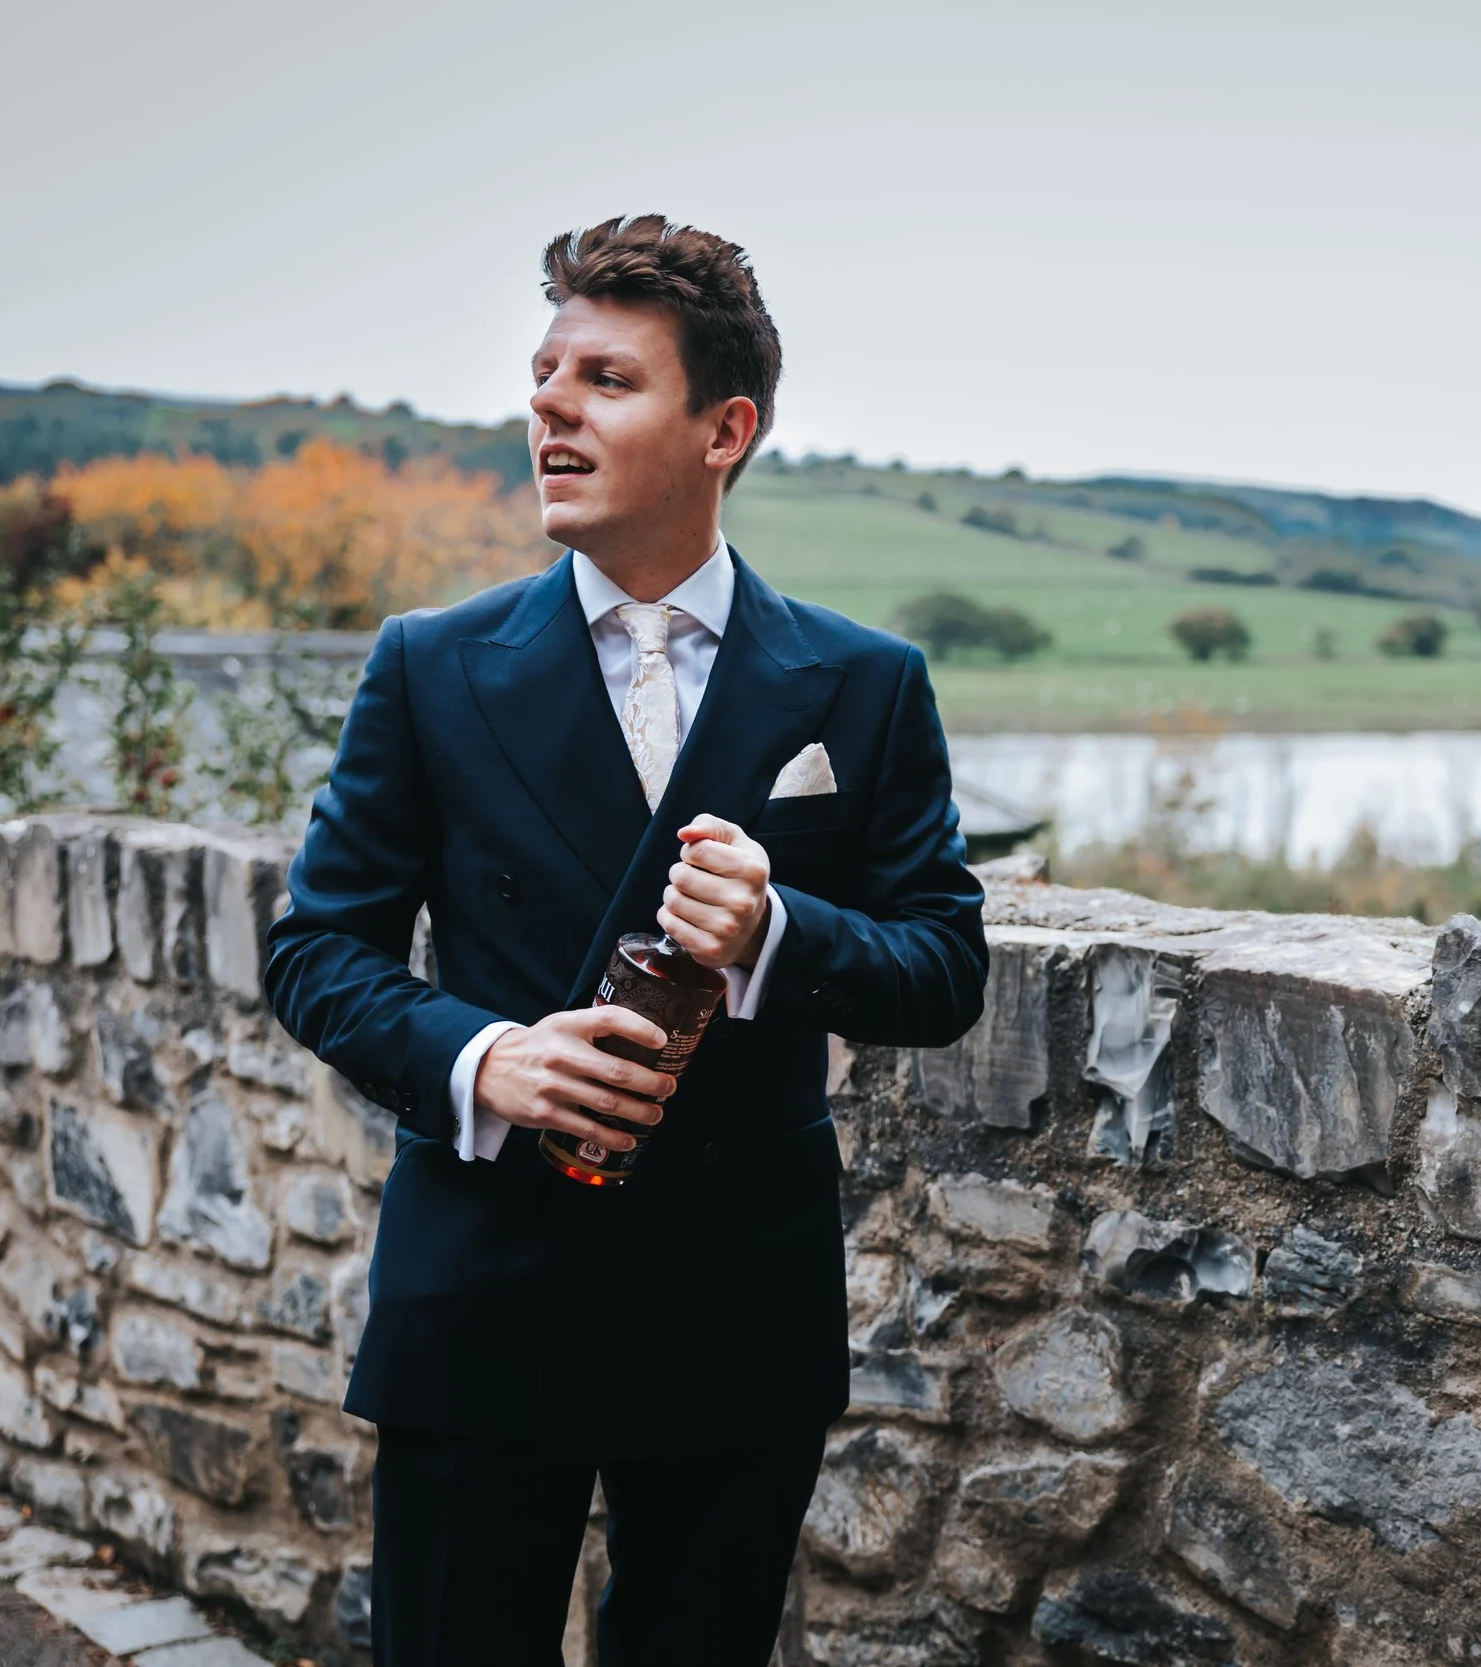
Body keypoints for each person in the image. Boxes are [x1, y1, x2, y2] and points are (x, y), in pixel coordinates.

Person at [264, 215, 988, 1665]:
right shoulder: (430, 665)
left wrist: (777, 930)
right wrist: (483, 1059)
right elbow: (316, 950)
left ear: (725, 430)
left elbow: (944, 967)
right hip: (485, 1276)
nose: (551, 409)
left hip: (734, 1292)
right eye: (545, 375)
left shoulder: (862, 683)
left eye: (605, 379)